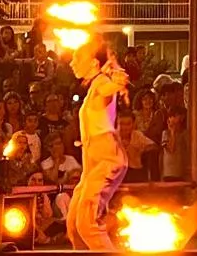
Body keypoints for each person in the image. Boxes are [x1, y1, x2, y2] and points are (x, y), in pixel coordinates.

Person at [67, 40, 129, 249]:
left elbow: (109, 89)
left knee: (87, 223)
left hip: (107, 160)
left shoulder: (101, 83)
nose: (72, 63)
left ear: (94, 63)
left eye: (77, 58)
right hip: (92, 165)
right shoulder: (94, 86)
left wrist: (118, 82)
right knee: (74, 225)